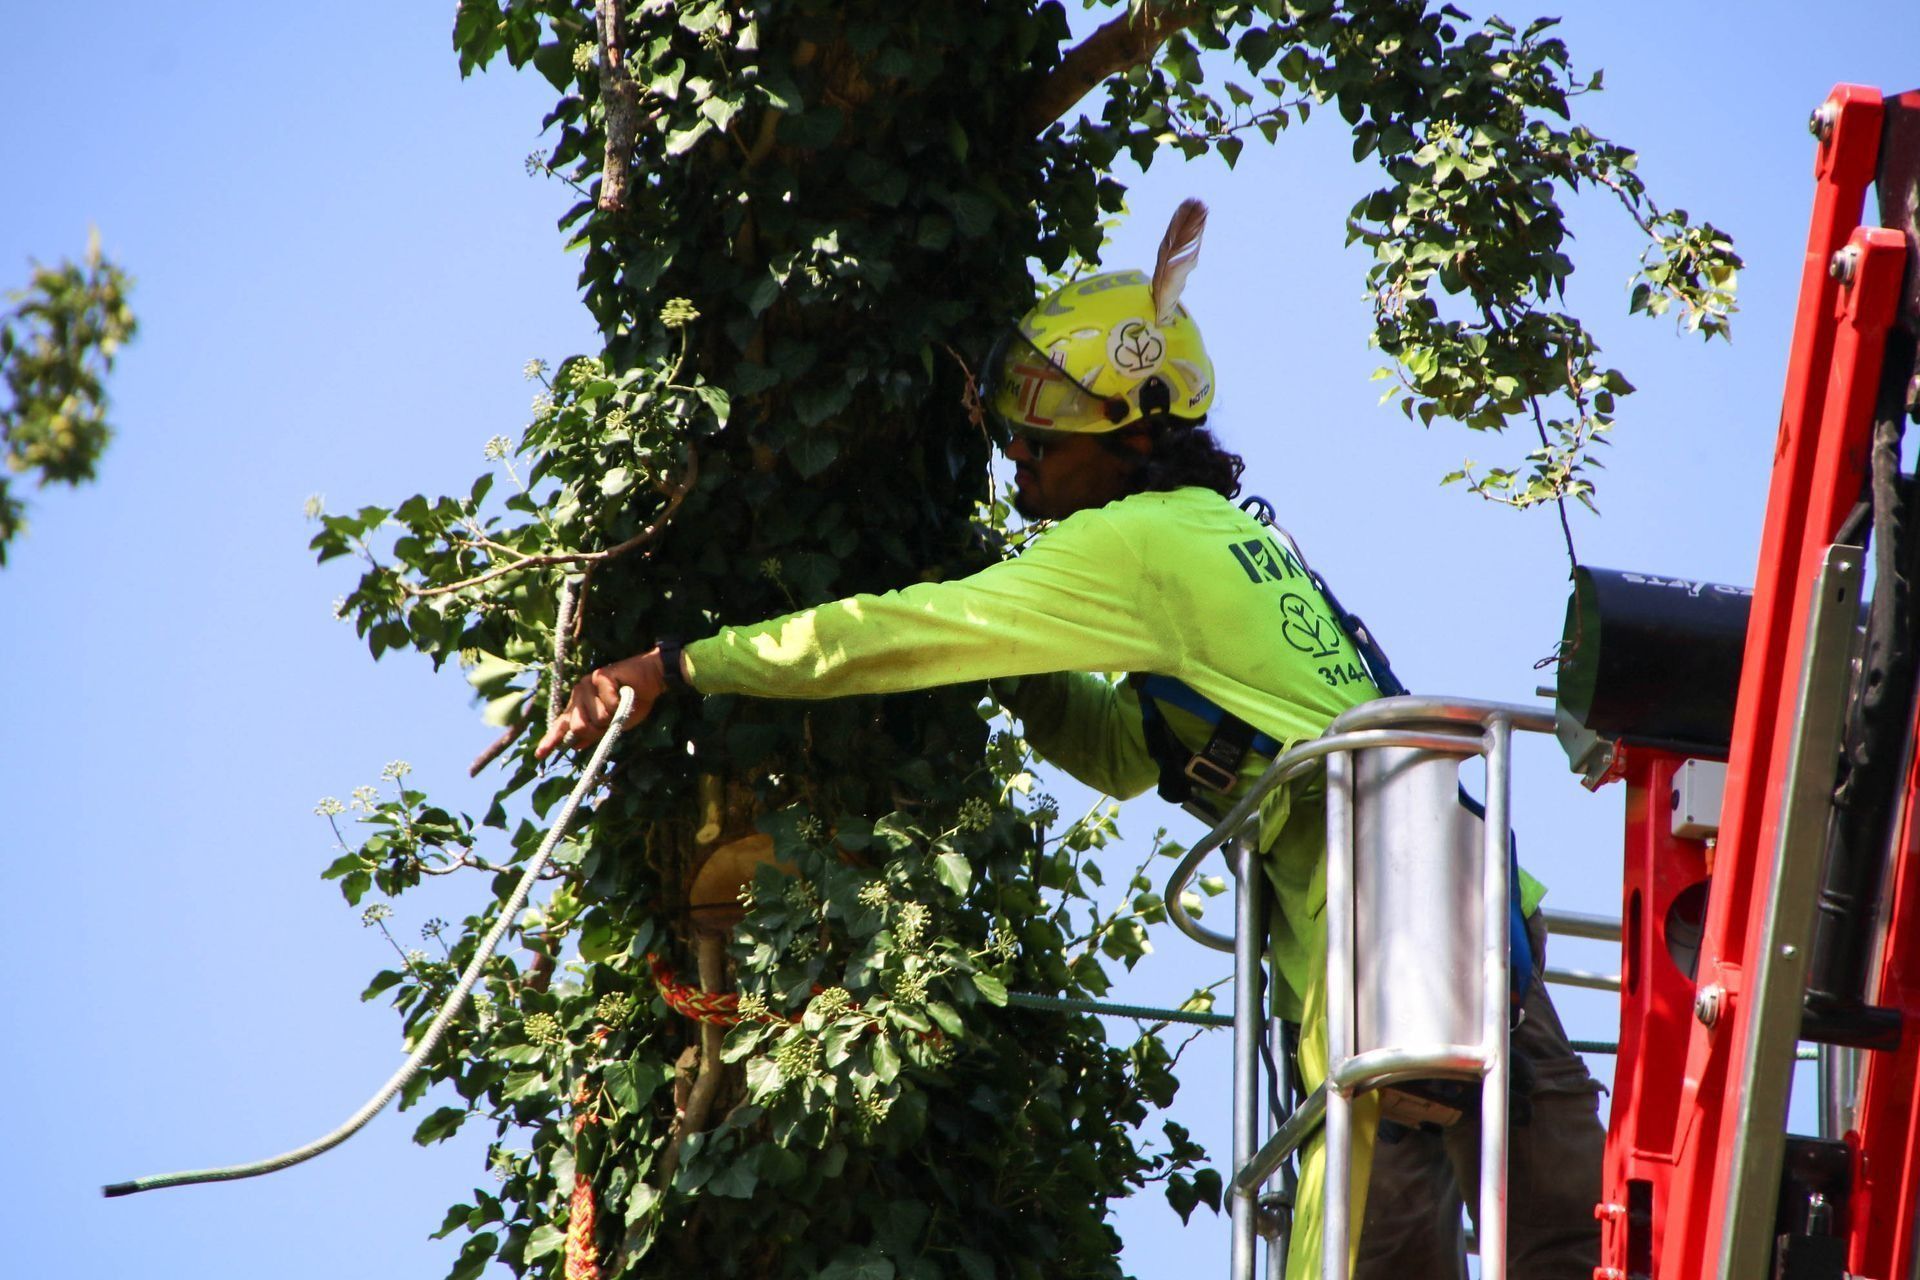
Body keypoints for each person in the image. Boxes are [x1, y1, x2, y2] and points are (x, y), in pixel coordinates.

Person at [535, 201, 1603, 1278]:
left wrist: (679, 664)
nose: (1018, 454)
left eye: (1040, 427)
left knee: (1361, 1245)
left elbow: (886, 638)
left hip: (1378, 930)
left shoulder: (1128, 539)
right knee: (1577, 1235)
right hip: (1479, 902)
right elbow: (1125, 751)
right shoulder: (1231, 536)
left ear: (1133, 427)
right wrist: (1017, 659)